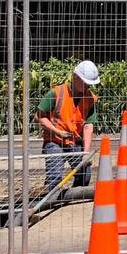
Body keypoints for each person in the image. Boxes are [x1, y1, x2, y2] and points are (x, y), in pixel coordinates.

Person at [38, 60, 99, 191]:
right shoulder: (56, 93)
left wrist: (86, 152)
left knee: (84, 176)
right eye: (85, 83)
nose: (88, 86)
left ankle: (72, 197)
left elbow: (88, 126)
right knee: (54, 180)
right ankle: (52, 194)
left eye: (89, 84)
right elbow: (40, 117)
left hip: (74, 142)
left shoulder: (89, 98)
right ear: (75, 77)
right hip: (55, 141)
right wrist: (57, 132)